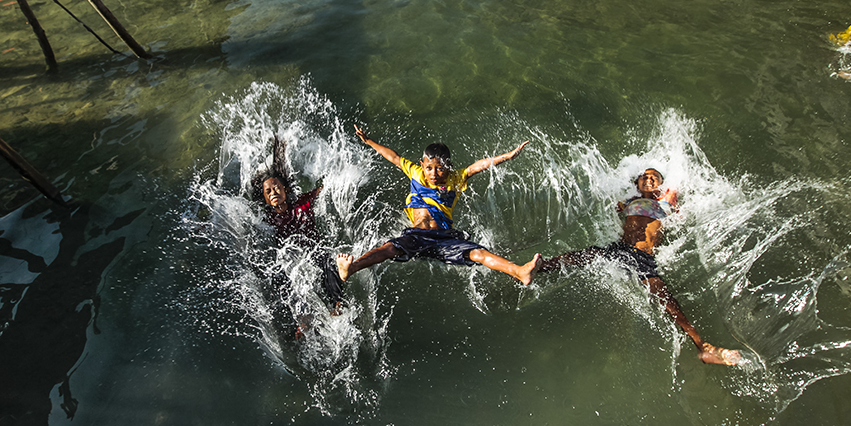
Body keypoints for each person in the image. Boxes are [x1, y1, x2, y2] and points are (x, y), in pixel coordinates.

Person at [538, 168, 742, 366]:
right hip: (621, 248)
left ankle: (703, 347)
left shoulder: (664, 202)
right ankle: (542, 266)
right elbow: (609, 201)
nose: (649, 179)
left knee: (668, 302)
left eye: (655, 177)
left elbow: (677, 202)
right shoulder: (629, 202)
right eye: (644, 176)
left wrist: (671, 190)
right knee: (581, 256)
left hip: (643, 257)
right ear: (637, 183)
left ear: (661, 185)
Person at [336, 125, 543, 285]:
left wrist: (506, 156)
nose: (434, 174)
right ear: (422, 165)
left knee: (479, 254)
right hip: (417, 236)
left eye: (440, 169)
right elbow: (394, 157)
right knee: (389, 248)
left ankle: (520, 271)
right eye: (429, 168)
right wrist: (369, 141)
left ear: (449, 167)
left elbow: (475, 167)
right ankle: (352, 268)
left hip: (445, 238)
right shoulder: (416, 173)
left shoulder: (456, 178)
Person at [251, 136, 344, 334]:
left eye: (277, 187)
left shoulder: (302, 203)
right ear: (266, 199)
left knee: (328, 261)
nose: (274, 192)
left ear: (285, 189)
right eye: (268, 191)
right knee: (283, 275)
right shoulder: (266, 219)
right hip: (291, 260)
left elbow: (324, 188)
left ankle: (336, 305)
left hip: (314, 252)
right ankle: (301, 321)